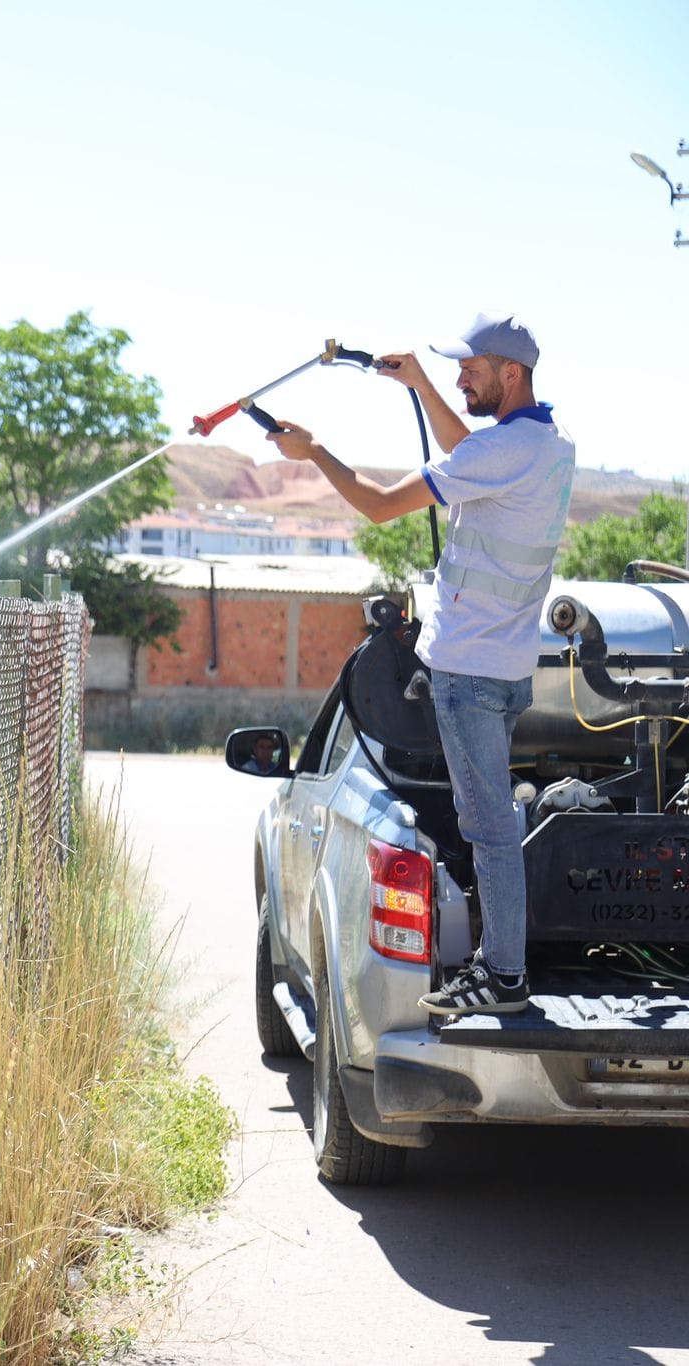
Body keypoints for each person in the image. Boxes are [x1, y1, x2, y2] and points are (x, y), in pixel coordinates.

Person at [264, 313, 575, 1017]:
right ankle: (502, 966)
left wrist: (313, 453)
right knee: (490, 818)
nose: (462, 374)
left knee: (488, 825)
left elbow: (377, 507)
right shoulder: (543, 446)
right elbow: (470, 451)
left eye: (471, 366)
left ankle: (502, 978)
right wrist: (425, 384)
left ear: (512, 374)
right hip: (504, 667)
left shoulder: (500, 453)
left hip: (468, 675)